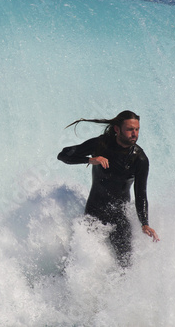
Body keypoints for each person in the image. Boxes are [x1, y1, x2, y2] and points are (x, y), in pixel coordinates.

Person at [57, 110, 159, 268]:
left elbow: (141, 194)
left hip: (119, 217)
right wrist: (90, 159)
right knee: (79, 263)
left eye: (137, 129)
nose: (134, 134)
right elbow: (63, 155)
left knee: (125, 266)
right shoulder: (101, 145)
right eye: (130, 129)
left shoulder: (139, 159)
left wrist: (144, 223)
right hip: (94, 213)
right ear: (117, 129)